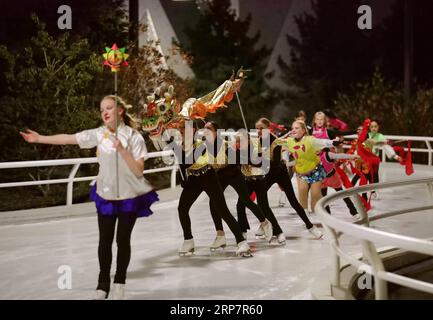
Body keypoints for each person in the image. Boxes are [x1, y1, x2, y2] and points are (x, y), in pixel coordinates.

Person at [20, 95, 159, 300]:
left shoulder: (134, 137)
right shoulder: (99, 134)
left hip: (129, 195)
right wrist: (40, 138)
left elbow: (138, 171)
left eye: (109, 107)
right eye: (102, 108)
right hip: (106, 194)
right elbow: (69, 137)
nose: (104, 112)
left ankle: (119, 282)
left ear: (120, 111)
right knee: (104, 241)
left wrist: (122, 150)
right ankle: (103, 284)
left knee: (122, 240)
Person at [172, 121, 251, 257]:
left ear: (194, 130)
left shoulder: (201, 144)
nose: (181, 130)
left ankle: (242, 242)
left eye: (184, 128)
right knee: (182, 208)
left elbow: (189, 160)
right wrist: (183, 181)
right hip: (194, 180)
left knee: (222, 210)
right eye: (180, 128)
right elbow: (183, 167)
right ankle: (188, 240)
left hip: (209, 178)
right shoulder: (180, 146)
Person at [202, 122, 273, 249]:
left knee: (246, 200)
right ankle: (220, 236)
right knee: (213, 203)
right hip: (220, 176)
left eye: (209, 128)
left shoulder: (225, 144)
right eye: (204, 128)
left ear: (216, 132)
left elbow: (234, 157)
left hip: (233, 173)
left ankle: (265, 223)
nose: (206, 130)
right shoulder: (203, 146)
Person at [249, 118, 323, 240]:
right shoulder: (257, 142)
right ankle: (264, 225)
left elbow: (274, 160)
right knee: (261, 201)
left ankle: (311, 227)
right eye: (257, 128)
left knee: (293, 201)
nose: (259, 131)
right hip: (268, 174)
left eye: (261, 128)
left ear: (268, 128)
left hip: (280, 173)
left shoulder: (276, 141)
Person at [311, 112, 359, 216]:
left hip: (328, 162)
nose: (319, 121)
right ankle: (327, 215)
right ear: (314, 120)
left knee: (340, 191)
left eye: (321, 119)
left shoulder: (328, 132)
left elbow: (342, 133)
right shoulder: (310, 131)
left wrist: (356, 131)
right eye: (317, 119)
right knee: (323, 195)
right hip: (318, 169)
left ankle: (353, 210)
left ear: (325, 121)